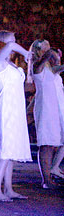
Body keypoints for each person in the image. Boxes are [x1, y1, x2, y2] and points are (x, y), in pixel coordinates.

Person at [0, 30, 31, 202]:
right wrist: (27, 53)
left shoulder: (11, 64)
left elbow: (27, 83)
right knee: (5, 150)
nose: (14, 43)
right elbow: (12, 46)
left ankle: (8, 188)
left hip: (16, 107)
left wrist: (28, 64)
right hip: (6, 107)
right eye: (10, 40)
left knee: (11, 150)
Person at [27, 39, 64, 189]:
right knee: (46, 144)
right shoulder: (37, 65)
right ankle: (46, 179)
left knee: (55, 141)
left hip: (57, 107)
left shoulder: (49, 66)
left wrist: (57, 60)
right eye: (45, 47)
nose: (49, 49)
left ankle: (53, 169)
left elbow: (57, 70)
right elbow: (40, 63)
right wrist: (50, 53)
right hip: (46, 108)